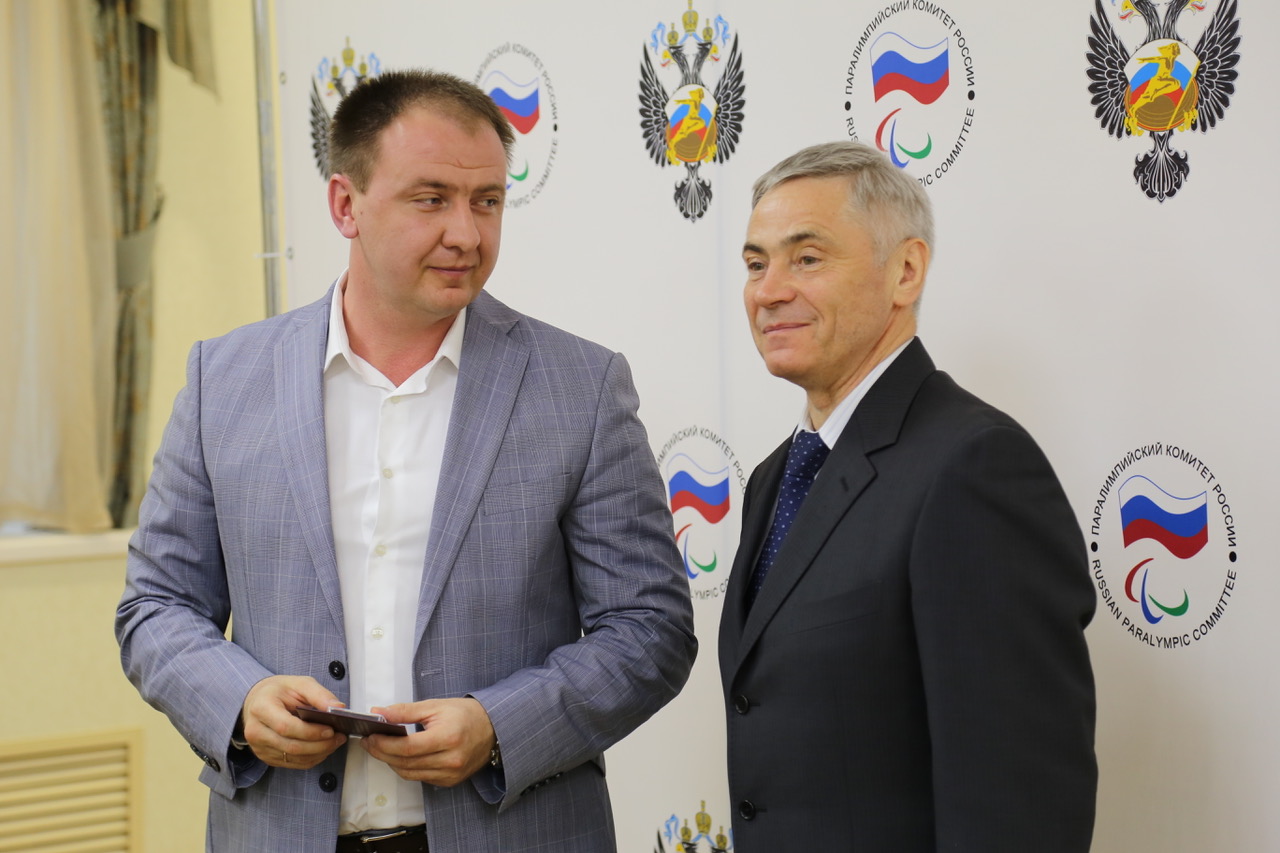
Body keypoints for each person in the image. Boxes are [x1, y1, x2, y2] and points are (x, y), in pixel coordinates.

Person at [116, 69, 697, 853]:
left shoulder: (581, 387)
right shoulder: (222, 379)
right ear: (344, 205)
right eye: (431, 199)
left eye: (486, 201)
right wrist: (241, 702)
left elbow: (650, 629)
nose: (467, 234)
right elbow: (155, 606)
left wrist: (498, 725)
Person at [718, 141, 1097, 851]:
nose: (768, 291)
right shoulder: (775, 478)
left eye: (807, 258)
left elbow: (1018, 802)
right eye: (755, 263)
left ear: (906, 271)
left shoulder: (974, 467)